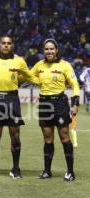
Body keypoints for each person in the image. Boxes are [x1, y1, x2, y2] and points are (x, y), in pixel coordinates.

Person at [0, 35, 38, 179]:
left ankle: (16, 168)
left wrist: (47, 81)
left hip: (13, 99)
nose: (6, 45)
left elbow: (30, 77)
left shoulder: (19, 61)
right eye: (3, 43)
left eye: (9, 43)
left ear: (12, 45)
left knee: (15, 135)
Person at [31, 39, 80, 181]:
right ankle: (47, 171)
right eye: (46, 49)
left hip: (60, 103)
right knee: (47, 139)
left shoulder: (65, 65)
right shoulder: (39, 65)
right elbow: (29, 75)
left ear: (56, 50)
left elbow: (75, 84)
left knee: (64, 137)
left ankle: (70, 172)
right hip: (44, 104)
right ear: (43, 51)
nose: (49, 51)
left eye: (52, 49)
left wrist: (75, 103)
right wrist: (39, 81)